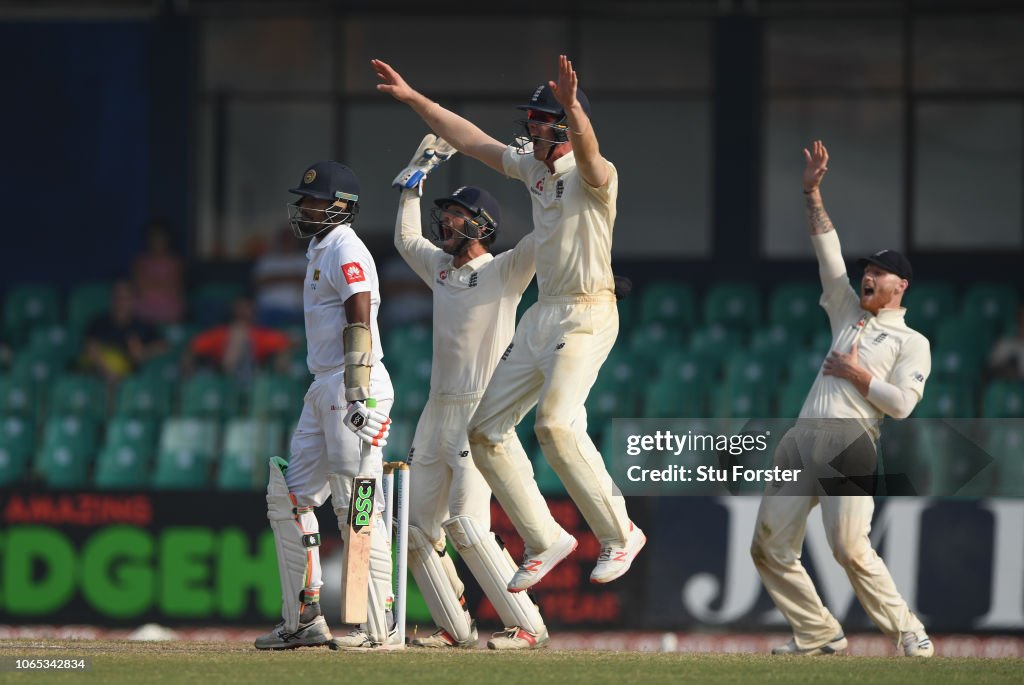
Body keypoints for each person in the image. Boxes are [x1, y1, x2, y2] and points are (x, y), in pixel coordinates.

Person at [373, 55, 645, 592]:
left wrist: (572, 108)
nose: (531, 128)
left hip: (589, 310)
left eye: (542, 121)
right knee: (485, 433)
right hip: (543, 314)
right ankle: (546, 539)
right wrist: (415, 100)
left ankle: (621, 532)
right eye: (534, 120)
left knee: (554, 425)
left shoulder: (596, 176)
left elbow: (588, 153)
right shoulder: (534, 171)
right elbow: (472, 140)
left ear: (564, 126)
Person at [750, 140, 934, 658]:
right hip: (801, 437)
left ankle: (908, 631)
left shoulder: (910, 341)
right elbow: (826, 251)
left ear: (901, 285)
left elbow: (902, 407)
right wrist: (811, 192)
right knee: (769, 546)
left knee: (850, 548)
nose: (867, 276)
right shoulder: (847, 311)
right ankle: (818, 632)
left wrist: (856, 374)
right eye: (866, 270)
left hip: (851, 439)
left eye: (878, 272)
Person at [392, 135, 549, 650]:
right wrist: (417, 172)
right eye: (446, 215)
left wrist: (537, 168)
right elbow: (404, 238)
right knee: (415, 529)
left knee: (467, 525)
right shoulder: (440, 270)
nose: (447, 223)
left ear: (481, 225)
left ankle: (526, 624)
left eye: (457, 215)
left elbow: (548, 230)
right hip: (436, 411)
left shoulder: (505, 271)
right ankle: (454, 627)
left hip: (481, 411)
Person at [255, 160, 396, 650]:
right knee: (289, 497)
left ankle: (380, 627)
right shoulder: (320, 247)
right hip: (325, 385)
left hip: (352, 383)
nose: (304, 209)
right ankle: (304, 618)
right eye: (305, 200)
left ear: (341, 207)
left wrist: (359, 387)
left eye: (313, 201)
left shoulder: (346, 246)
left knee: (356, 503)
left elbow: (360, 304)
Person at [185, 295, 292, 388]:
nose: (242, 311)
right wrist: (189, 378)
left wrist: (279, 373)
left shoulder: (259, 334)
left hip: (253, 380)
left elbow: (284, 344)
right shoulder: (220, 334)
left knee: (241, 335)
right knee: (238, 334)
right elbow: (193, 348)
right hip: (220, 379)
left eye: (246, 307)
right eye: (239, 308)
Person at [81, 280, 167, 384]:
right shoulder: (98, 322)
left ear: (133, 300)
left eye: (126, 298)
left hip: (128, 377)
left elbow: (163, 346)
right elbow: (90, 347)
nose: (121, 302)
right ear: (112, 299)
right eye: (118, 297)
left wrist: (143, 353)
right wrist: (107, 373)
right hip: (98, 375)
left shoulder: (142, 325)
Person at [252, 227, 308, 328]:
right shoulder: (267, 259)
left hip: (296, 309)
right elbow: (258, 282)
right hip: (269, 309)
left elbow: (312, 281)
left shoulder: (305, 259)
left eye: (289, 239)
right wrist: (292, 277)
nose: (286, 242)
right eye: (284, 239)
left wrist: (275, 277)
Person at [132, 221, 185, 325]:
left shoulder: (176, 261)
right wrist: (163, 283)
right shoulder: (140, 261)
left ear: (167, 240)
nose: (157, 242)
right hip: (144, 306)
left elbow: (175, 288)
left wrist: (151, 282)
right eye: (154, 238)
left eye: (161, 238)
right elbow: (140, 287)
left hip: (170, 307)